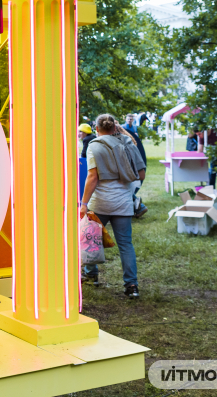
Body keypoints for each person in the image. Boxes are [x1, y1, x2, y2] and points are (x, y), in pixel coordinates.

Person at [79, 114, 145, 299]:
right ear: (115, 127)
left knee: (90, 239)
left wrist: (83, 203)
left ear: (96, 129)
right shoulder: (128, 143)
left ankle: (91, 273)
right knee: (126, 244)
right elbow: (141, 174)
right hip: (123, 202)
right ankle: (131, 285)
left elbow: (92, 177)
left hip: (100, 202)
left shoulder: (95, 146)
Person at [115, 124, 148, 218]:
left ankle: (139, 207)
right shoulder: (128, 142)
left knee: (124, 192)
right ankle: (139, 206)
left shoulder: (122, 144)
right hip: (132, 175)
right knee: (126, 192)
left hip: (129, 175)